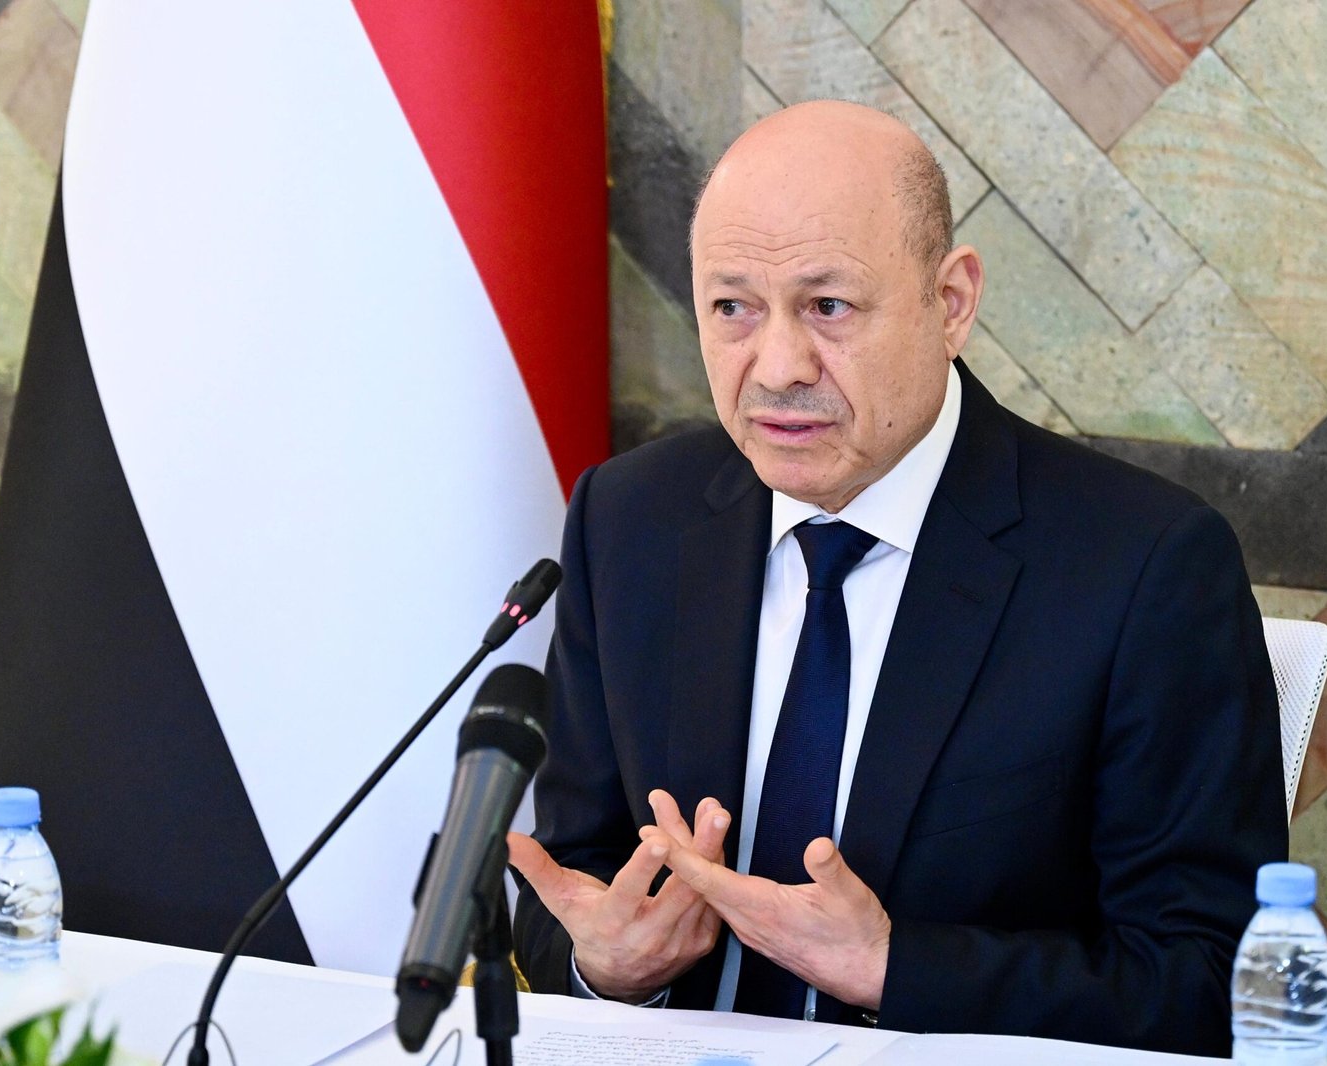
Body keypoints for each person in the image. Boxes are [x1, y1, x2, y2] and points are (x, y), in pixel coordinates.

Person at [507, 100, 1286, 1056]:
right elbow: (572, 881)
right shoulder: (630, 520)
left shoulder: (1144, 565)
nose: (777, 367)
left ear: (950, 302)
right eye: (732, 308)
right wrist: (611, 966)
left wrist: (894, 967)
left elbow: (1212, 984)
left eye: (828, 307)